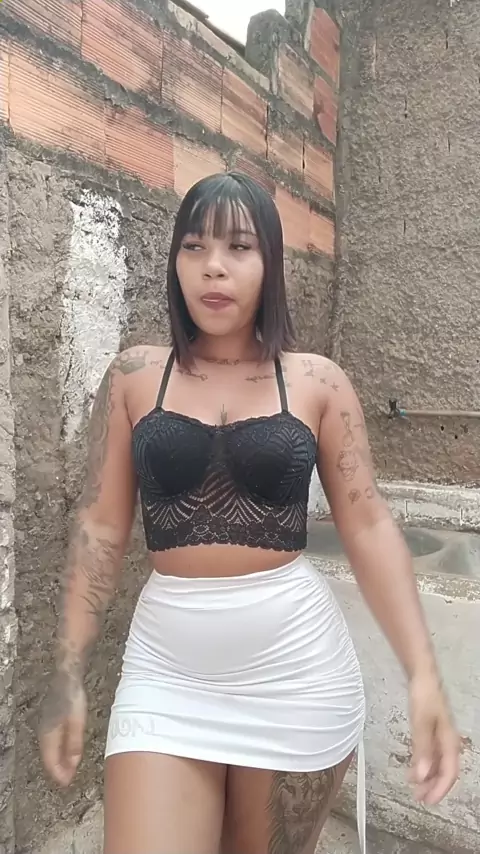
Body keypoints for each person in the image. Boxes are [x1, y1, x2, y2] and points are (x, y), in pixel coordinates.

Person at [39, 172, 460, 854]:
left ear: (270, 263)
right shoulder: (134, 377)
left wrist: (423, 675)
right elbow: (101, 526)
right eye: (194, 246)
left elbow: (368, 525)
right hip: (167, 674)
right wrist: (67, 671)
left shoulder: (317, 381)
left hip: (296, 674)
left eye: (238, 246)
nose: (214, 266)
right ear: (175, 260)